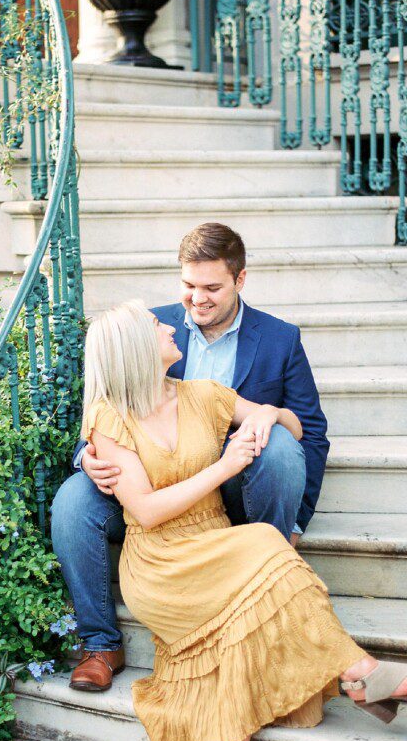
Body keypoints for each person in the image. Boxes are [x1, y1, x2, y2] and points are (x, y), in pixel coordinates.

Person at [79, 299, 407, 741]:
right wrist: (226, 467)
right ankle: (360, 674)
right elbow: (147, 511)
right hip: (160, 561)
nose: (170, 326)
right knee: (268, 546)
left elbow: (295, 425)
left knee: (244, 609)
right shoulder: (110, 419)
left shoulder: (203, 394)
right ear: (135, 349)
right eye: (156, 326)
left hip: (215, 541)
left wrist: (268, 414)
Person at [51, 223, 328, 692]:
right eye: (188, 285)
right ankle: (100, 643)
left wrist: (296, 517)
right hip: (151, 479)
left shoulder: (279, 339)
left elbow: (311, 432)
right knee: (73, 500)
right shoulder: (151, 327)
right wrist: (87, 456)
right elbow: (106, 399)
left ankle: (270, 571)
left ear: (240, 280)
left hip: (238, 483)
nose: (196, 299)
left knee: (281, 445)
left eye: (212, 288)